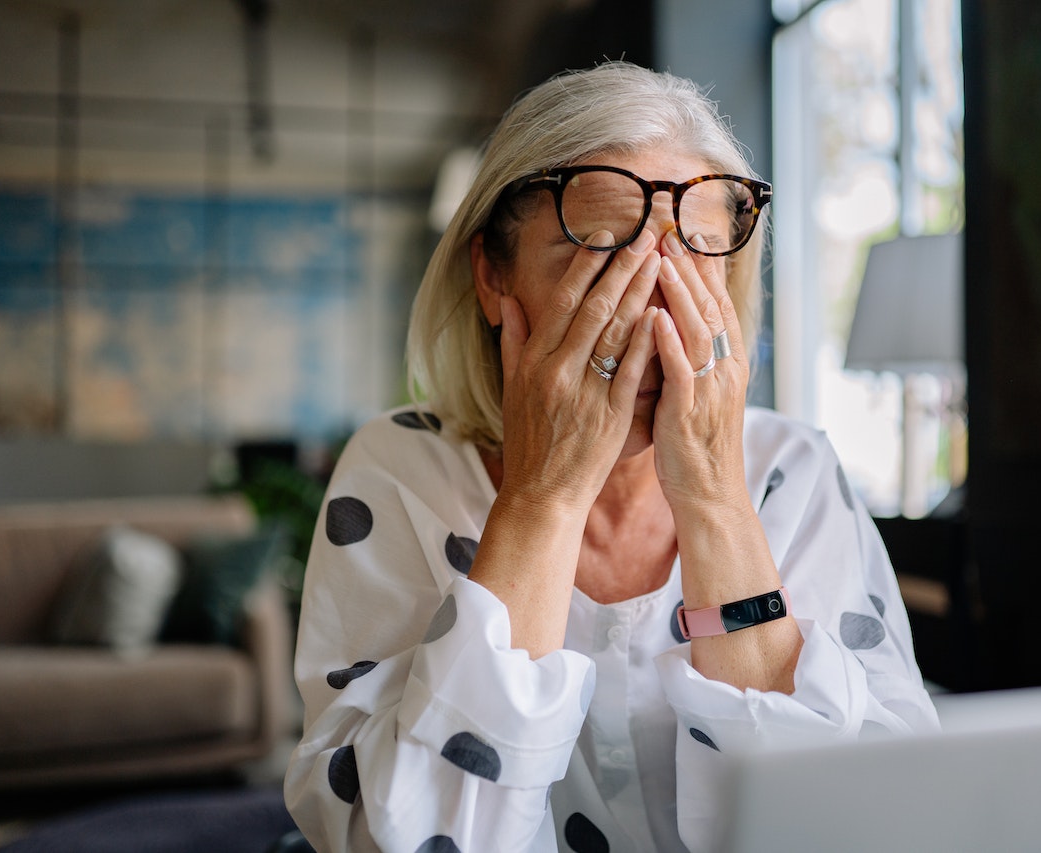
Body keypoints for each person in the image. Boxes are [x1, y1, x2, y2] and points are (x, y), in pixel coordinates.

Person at [284, 61, 939, 853]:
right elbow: (397, 838)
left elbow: (863, 823)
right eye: (601, 256)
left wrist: (716, 498)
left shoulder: (793, 472)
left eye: (696, 254)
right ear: (493, 277)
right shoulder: (401, 471)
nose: (648, 314)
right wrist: (545, 495)